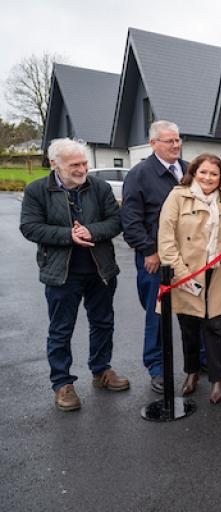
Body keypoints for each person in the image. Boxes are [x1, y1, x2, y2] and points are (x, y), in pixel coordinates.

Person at [20, 138, 128, 411]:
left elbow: (116, 221)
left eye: (84, 163)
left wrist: (92, 231)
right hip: (61, 273)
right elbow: (30, 227)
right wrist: (68, 235)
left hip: (100, 269)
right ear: (55, 164)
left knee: (103, 322)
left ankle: (101, 370)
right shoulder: (37, 190)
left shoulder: (99, 187)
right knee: (61, 330)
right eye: (74, 165)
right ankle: (62, 383)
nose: (82, 169)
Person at [157, 153, 221, 404]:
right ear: (194, 172)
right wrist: (182, 274)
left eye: (214, 174)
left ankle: (217, 379)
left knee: (214, 326)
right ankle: (192, 372)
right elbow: (166, 239)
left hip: (217, 272)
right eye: (203, 172)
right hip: (185, 271)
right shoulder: (177, 197)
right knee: (188, 327)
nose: (208, 178)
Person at [121, 120, 188, 394]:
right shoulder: (139, 175)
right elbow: (131, 220)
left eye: (177, 140)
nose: (176, 145)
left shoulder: (187, 170)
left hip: (187, 256)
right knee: (157, 314)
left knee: (192, 310)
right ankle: (157, 368)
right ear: (153, 144)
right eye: (169, 141)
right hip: (155, 259)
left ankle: (199, 361)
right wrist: (149, 250)